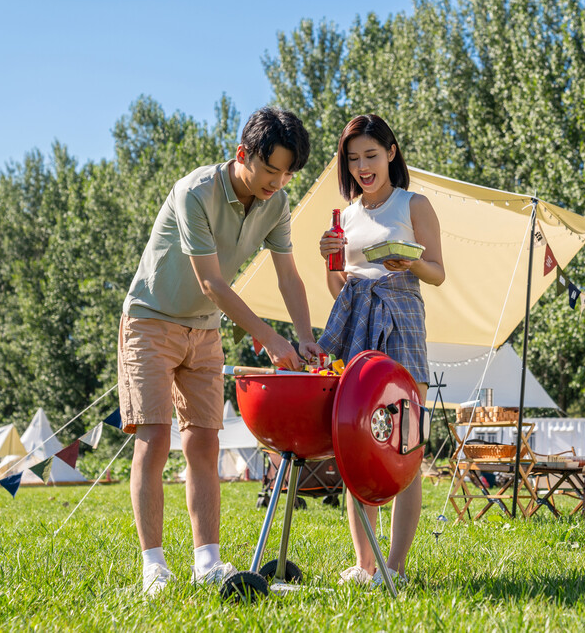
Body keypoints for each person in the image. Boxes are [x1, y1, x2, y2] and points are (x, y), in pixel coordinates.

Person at [118, 107, 322, 596]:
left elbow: (288, 276)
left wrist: (302, 335)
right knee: (154, 435)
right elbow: (210, 280)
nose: (279, 180)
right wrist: (270, 341)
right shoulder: (195, 192)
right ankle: (154, 569)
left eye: (289, 171)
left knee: (205, 441)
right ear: (242, 155)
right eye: (271, 169)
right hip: (151, 319)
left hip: (204, 330)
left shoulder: (277, 203)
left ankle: (207, 562)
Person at [318, 114, 445, 588]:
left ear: (391, 152)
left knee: (403, 446)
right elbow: (340, 292)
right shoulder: (346, 216)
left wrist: (408, 259)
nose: (363, 168)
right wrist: (330, 257)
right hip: (359, 324)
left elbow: (437, 272)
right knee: (357, 446)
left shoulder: (415, 204)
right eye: (353, 160)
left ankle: (396, 566)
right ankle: (364, 563)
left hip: (404, 320)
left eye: (371, 155)